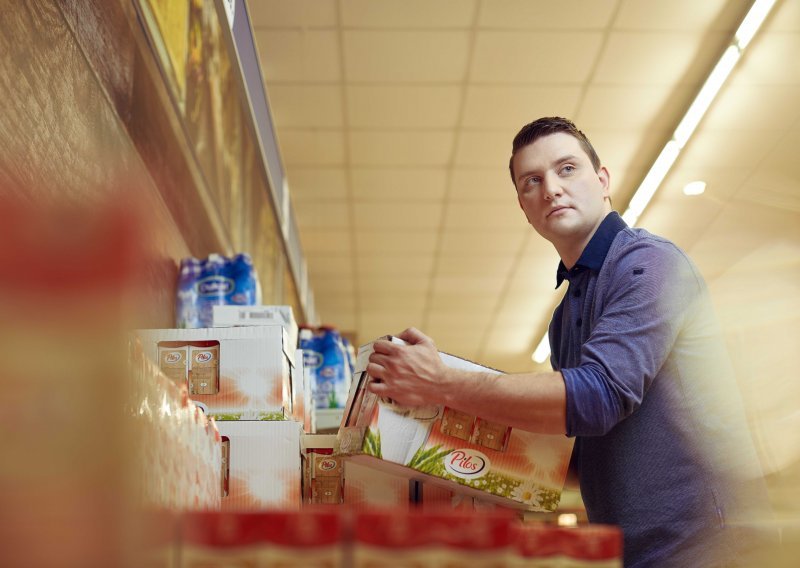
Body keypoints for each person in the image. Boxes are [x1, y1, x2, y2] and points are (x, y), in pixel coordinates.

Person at [366, 117, 776, 567]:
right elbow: (581, 454)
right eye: (531, 182)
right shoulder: (564, 318)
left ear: (602, 181)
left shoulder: (648, 263)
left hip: (710, 548)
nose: (551, 190)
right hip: (633, 553)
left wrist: (443, 384)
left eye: (567, 169)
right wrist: (467, 464)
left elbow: (598, 396)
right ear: (524, 207)